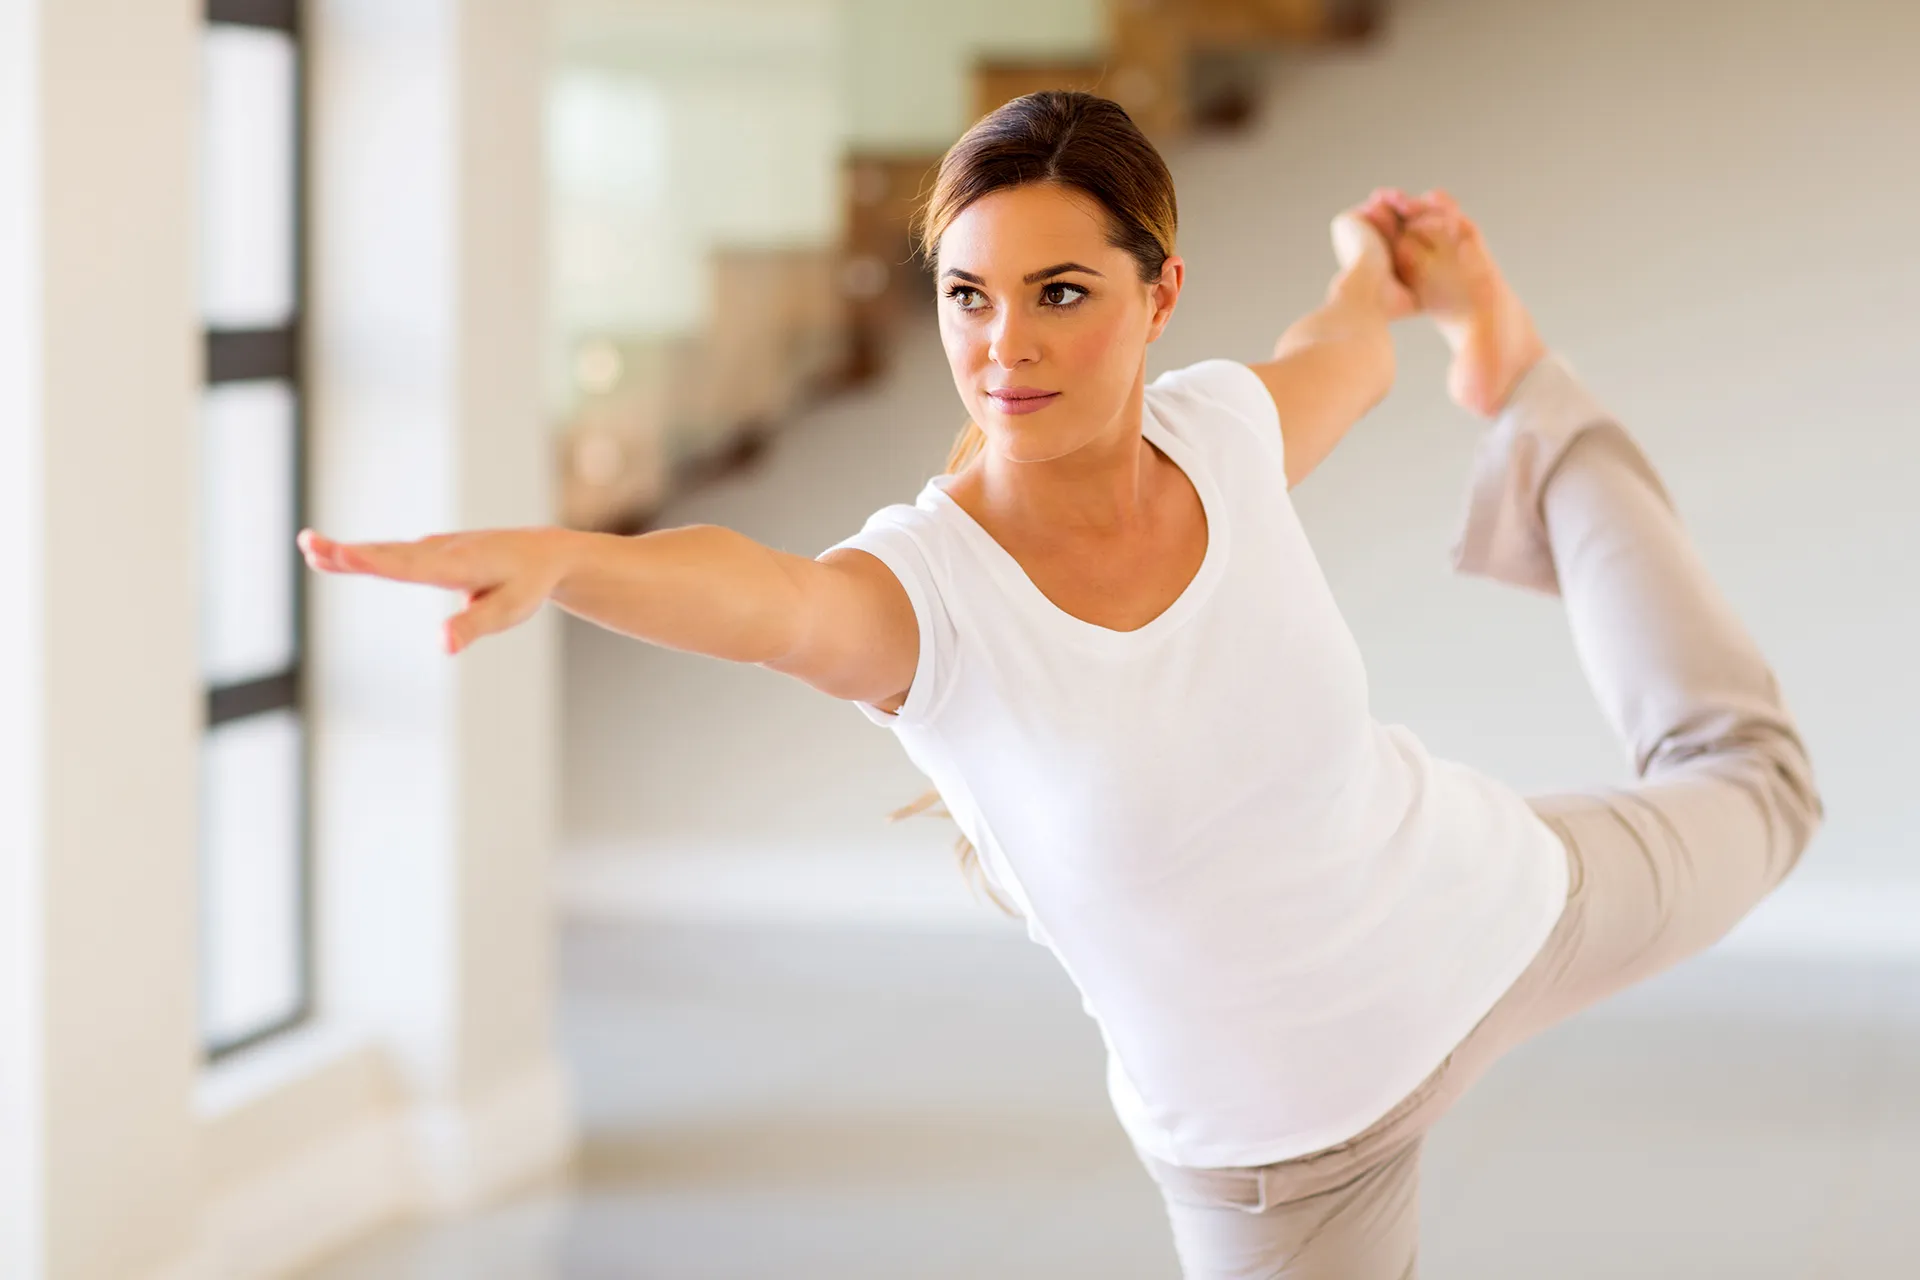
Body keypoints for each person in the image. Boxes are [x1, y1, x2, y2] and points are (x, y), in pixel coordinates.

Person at [299, 92, 1823, 1279]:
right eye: (967, 296)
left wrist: (1392, 279)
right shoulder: (929, 595)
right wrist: (573, 558)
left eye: (1060, 293)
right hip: (1287, 1158)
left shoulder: (1222, 434)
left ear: (1160, 298)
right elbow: (764, 600)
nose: (1003, 345)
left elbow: (1340, 351)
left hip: (1482, 907)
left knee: (1756, 783)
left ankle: (1527, 396)